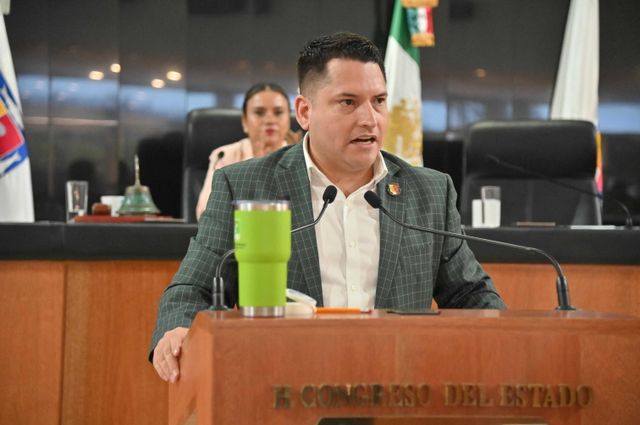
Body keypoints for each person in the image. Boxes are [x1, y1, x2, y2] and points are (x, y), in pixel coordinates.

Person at [150, 32, 505, 383]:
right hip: (283, 389)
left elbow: (470, 293)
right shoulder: (245, 185)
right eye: (348, 102)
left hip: (398, 388)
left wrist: (510, 343)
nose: (370, 119)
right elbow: (192, 288)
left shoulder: (428, 192)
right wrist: (179, 329)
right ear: (305, 112)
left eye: (379, 101)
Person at [195, 82, 299, 220]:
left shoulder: (300, 157)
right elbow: (205, 212)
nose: (270, 120)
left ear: (289, 119)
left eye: (278, 112)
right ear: (244, 121)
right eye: (259, 112)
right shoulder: (225, 156)